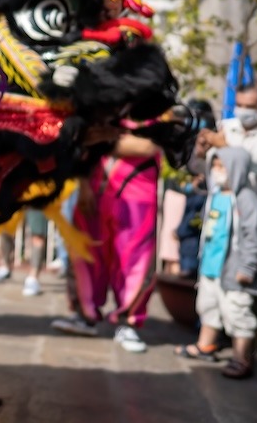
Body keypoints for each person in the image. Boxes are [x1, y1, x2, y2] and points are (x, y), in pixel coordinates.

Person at [51, 132, 161, 353]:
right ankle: (85, 316)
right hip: (95, 191)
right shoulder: (104, 106)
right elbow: (81, 142)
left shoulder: (156, 112)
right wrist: (83, 184)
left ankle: (126, 322)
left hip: (137, 197)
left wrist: (98, 141)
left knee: (136, 262)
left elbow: (148, 146)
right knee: (85, 255)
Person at [175, 147, 257, 379]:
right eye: (216, 166)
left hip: (234, 272)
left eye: (223, 166)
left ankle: (241, 357)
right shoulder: (216, 195)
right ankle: (205, 345)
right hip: (212, 268)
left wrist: (247, 267)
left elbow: (255, 237)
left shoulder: (246, 200)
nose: (218, 171)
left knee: (237, 313)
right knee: (208, 307)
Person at [202, 83, 257, 196]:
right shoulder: (224, 127)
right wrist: (200, 152)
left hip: (250, 204)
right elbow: (207, 165)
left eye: (249, 107)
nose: (243, 110)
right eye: (239, 105)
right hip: (218, 200)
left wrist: (225, 147)